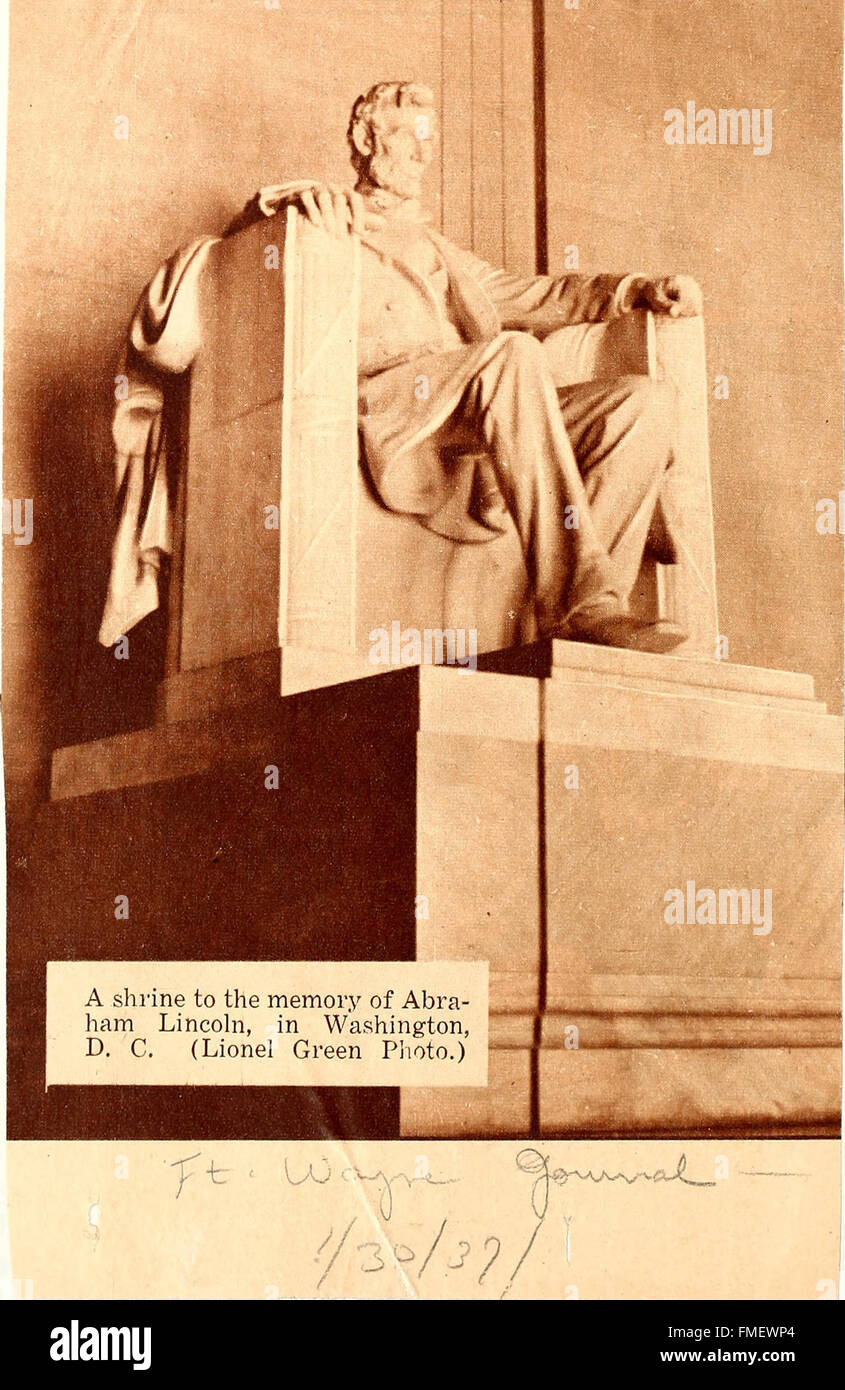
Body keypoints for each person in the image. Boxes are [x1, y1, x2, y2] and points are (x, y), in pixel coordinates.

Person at [262, 80, 703, 651]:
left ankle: (589, 625)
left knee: (644, 403)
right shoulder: (327, 217)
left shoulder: (441, 251)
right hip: (398, 410)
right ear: (367, 139)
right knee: (514, 355)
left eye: (429, 141)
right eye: (408, 138)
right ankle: (583, 602)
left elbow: (544, 296)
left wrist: (635, 288)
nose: (424, 155)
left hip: (478, 407)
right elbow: (258, 228)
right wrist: (295, 200)